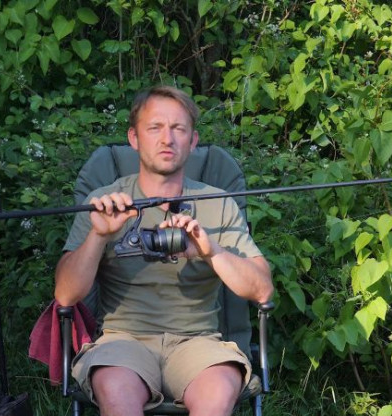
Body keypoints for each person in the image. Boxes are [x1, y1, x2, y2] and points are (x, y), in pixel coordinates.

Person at [54, 85, 274, 416]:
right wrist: (99, 235)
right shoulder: (104, 203)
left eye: (178, 128)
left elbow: (262, 290)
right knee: (116, 394)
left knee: (217, 395)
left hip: (200, 342)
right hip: (122, 341)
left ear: (193, 140)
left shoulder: (218, 203)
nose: (167, 139)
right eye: (155, 127)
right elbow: (65, 295)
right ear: (134, 138)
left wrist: (210, 250)